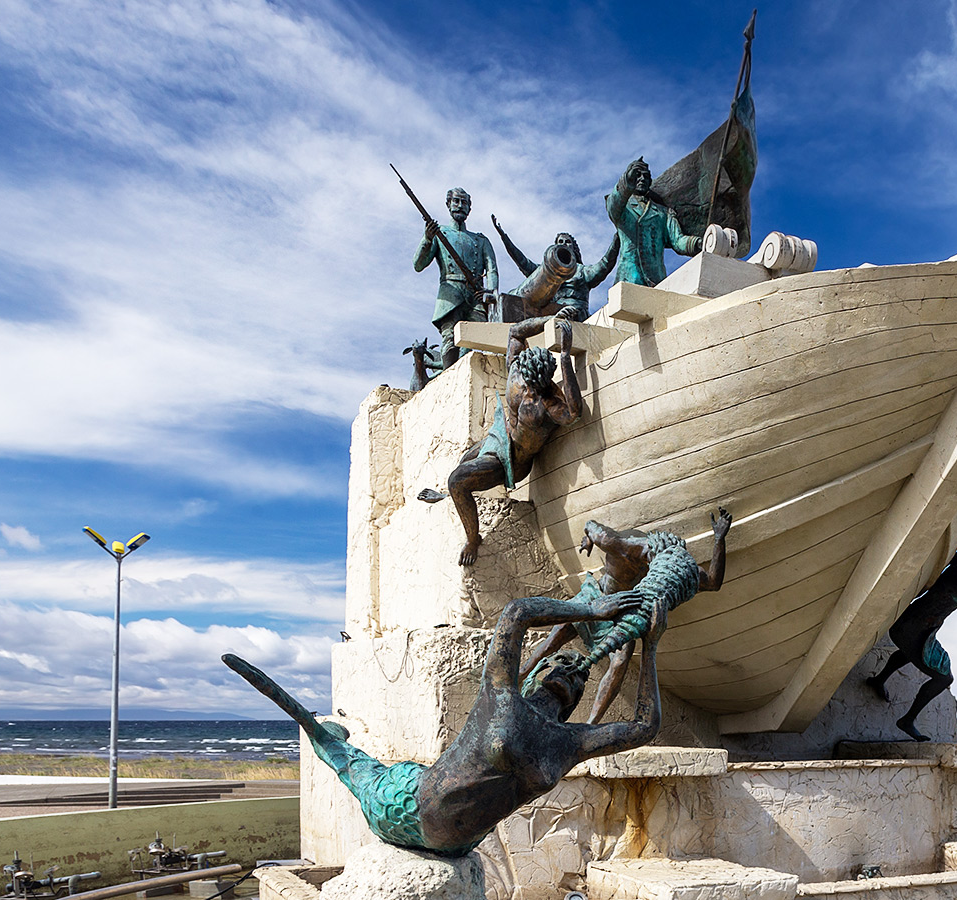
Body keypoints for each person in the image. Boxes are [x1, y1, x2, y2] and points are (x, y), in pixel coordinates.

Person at [221, 586, 666, 856]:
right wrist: (592, 608)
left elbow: (645, 727)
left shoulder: (568, 742)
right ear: (535, 675)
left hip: (459, 843)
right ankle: (321, 731)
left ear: (574, 702)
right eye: (561, 663)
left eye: (580, 674)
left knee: (353, 763)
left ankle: (328, 735)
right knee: (349, 762)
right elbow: (515, 614)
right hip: (409, 807)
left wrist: (653, 646)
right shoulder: (501, 697)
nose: (573, 670)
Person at [519, 509, 732, 724]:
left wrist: (719, 539)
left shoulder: (673, 569)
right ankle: (519, 677)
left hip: (622, 615)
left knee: (620, 661)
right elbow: (590, 524)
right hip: (597, 598)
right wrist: (590, 539)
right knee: (556, 635)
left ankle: (590, 726)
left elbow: (713, 582)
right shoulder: (620, 545)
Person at [418, 317, 583, 565]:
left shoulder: (543, 399)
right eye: (529, 385)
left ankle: (473, 540)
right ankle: (446, 496)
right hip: (499, 436)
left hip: (513, 462)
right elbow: (516, 331)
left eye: (534, 386)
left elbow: (574, 412)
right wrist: (553, 321)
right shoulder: (528, 382)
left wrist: (565, 356)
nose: (529, 389)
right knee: (462, 464)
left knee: (458, 480)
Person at [867, 516, 957, 741]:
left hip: (909, 626)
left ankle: (879, 680)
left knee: (913, 653)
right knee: (944, 678)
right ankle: (907, 720)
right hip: (914, 630)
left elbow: (951, 555)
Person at [413, 187, 498, 369]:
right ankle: (448, 376)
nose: (460, 206)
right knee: (450, 339)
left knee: (475, 339)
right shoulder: (439, 233)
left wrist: (489, 293)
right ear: (448, 204)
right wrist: (427, 239)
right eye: (456, 201)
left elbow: (492, 270)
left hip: (476, 296)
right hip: (451, 293)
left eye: (464, 202)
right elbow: (418, 265)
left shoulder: (481, 240)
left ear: (470, 208)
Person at [492, 222, 620, 322]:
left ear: (574, 248)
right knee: (516, 303)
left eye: (567, 242)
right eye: (560, 242)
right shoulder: (550, 270)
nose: (564, 244)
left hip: (576, 314)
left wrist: (616, 241)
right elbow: (523, 263)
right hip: (553, 315)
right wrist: (505, 238)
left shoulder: (583, 271)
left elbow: (605, 265)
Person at [605, 157, 699, 287]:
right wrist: (626, 180)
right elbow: (613, 204)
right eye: (638, 176)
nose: (642, 179)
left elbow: (678, 241)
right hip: (629, 278)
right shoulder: (622, 206)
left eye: (646, 176)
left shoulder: (664, 213)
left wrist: (697, 243)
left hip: (657, 280)